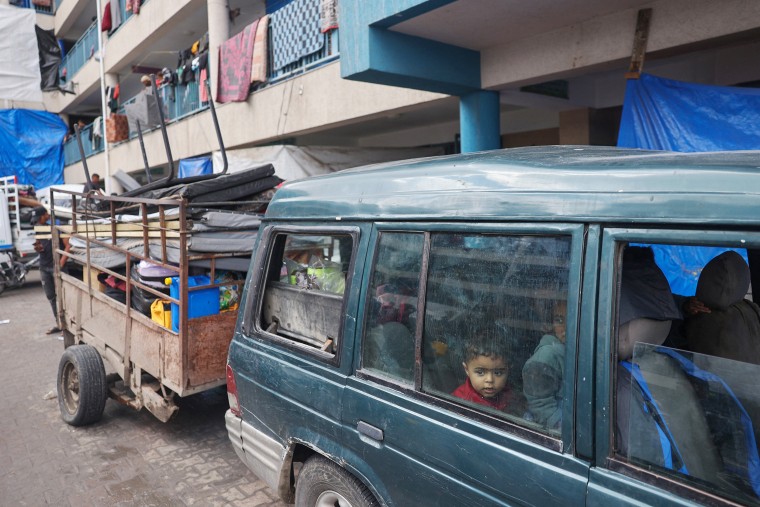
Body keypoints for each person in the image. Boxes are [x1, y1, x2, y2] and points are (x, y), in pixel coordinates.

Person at [522, 299, 567, 429]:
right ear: (549, 326)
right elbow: (541, 406)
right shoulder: (545, 358)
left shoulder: (576, 350)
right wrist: (564, 427)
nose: (566, 327)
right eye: (559, 320)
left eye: (573, 320)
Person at [32, 206, 70, 335]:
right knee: (51, 297)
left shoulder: (56, 227)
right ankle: (59, 324)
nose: (38, 221)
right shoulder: (38, 228)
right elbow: (38, 243)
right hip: (44, 267)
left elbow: (68, 246)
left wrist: (60, 264)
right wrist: (38, 247)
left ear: (46, 215)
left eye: (39, 218)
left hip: (56, 267)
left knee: (63, 297)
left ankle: (67, 326)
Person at [452, 335, 512, 410]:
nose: (490, 380)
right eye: (480, 372)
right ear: (467, 369)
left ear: (508, 370)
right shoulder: (459, 402)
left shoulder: (508, 392)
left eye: (498, 373)